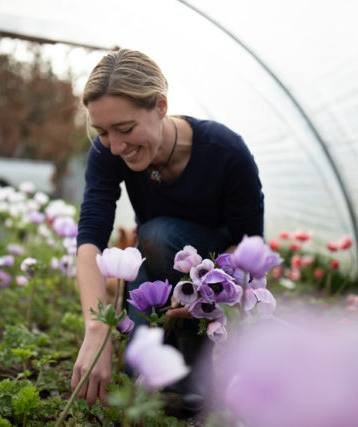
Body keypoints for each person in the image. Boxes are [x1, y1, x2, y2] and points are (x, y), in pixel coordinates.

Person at [71, 49, 264, 415]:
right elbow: (90, 239)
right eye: (103, 132)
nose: (116, 145)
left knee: (159, 235)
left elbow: (249, 245)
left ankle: (194, 356)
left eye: (126, 129)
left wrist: (210, 295)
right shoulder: (107, 152)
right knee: (136, 380)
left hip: (212, 273)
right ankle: (179, 366)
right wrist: (97, 328)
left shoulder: (224, 151)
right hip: (155, 266)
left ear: (160, 106)